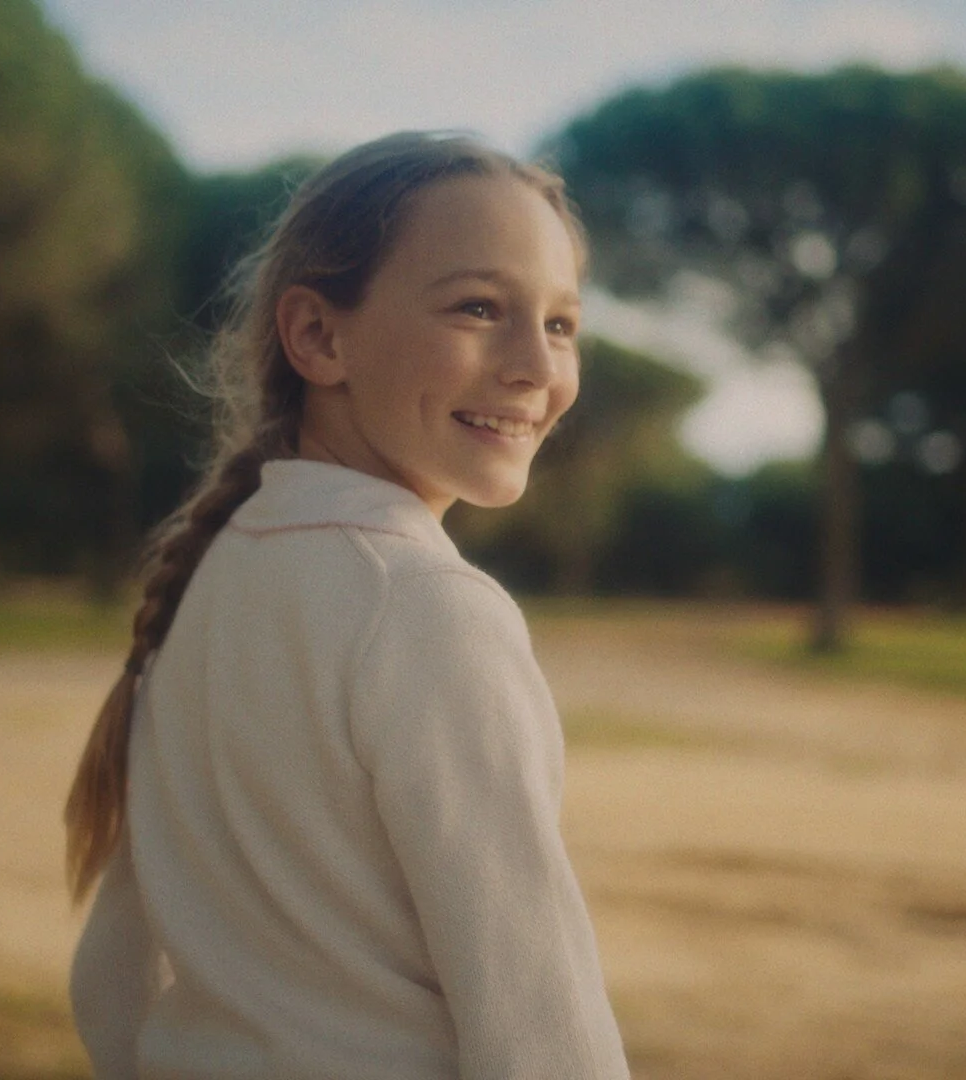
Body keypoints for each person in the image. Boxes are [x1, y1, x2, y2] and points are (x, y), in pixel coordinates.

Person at [64, 131, 631, 1079]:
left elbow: (109, 980)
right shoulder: (429, 609)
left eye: (562, 323)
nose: (537, 365)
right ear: (320, 337)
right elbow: (540, 1021)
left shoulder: (212, 574)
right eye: (480, 308)